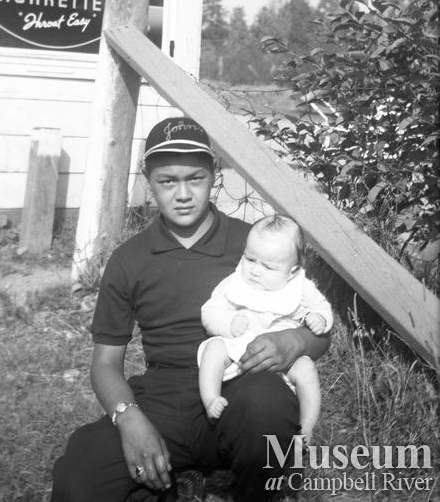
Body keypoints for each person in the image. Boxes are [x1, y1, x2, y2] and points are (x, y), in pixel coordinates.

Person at [50, 117, 330, 502]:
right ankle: (169, 484)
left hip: (239, 384)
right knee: (79, 480)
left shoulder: (252, 246)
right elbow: (105, 364)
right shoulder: (129, 259)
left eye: (195, 178)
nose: (182, 194)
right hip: (162, 399)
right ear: (149, 183)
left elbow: (319, 338)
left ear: (215, 174)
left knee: (266, 404)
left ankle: (256, 492)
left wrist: (293, 340)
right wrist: (130, 419)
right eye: (167, 181)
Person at [197, 215, 333, 445]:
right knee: (213, 349)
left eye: (268, 266)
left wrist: (319, 318)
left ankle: (307, 426)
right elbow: (209, 311)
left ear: (292, 271)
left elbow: (322, 306)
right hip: (239, 345)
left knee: (307, 369)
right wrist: (228, 323)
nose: (255, 271)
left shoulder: (300, 286)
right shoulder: (236, 282)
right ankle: (211, 399)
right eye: (250, 259)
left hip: (283, 355)